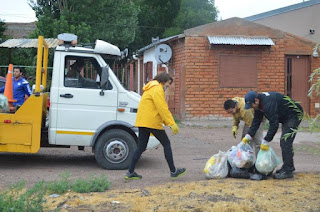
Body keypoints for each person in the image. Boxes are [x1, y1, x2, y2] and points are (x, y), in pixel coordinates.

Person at [125, 72, 186, 180]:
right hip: (152, 121)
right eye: (168, 84)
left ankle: (130, 172)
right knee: (166, 143)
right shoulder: (158, 89)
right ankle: (173, 171)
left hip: (142, 121)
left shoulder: (150, 87)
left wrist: (167, 122)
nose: (167, 87)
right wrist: (171, 123)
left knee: (141, 147)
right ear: (163, 80)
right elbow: (162, 108)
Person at [242, 91, 303, 179]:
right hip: (284, 115)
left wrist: (266, 140)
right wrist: (248, 135)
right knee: (285, 142)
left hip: (294, 114)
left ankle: (288, 170)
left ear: (256, 100)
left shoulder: (268, 104)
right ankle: (287, 167)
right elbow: (256, 121)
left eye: (251, 105)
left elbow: (274, 124)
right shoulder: (259, 105)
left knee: (285, 141)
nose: (251, 107)